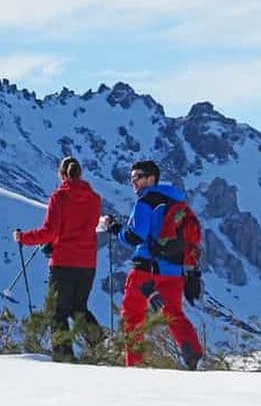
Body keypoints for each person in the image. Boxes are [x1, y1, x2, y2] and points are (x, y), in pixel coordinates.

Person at [104, 160, 203, 370]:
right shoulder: (177, 202)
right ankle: (192, 351)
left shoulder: (145, 201)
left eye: (138, 177)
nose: (133, 182)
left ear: (151, 178)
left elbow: (136, 236)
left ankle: (135, 365)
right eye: (131, 178)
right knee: (173, 312)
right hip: (174, 270)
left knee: (132, 315)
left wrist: (115, 229)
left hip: (145, 269)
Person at [13, 156, 103, 362]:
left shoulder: (59, 197)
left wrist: (23, 237)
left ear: (62, 175)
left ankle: (64, 357)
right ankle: (101, 343)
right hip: (88, 262)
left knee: (57, 311)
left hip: (63, 262)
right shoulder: (94, 198)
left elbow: (49, 231)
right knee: (78, 306)